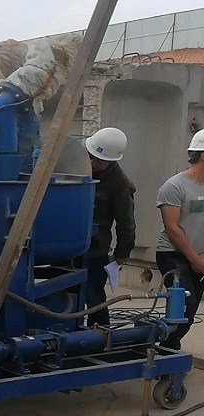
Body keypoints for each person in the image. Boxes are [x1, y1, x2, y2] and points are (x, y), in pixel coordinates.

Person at [155, 129, 204, 350]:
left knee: (189, 314)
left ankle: (166, 348)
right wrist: (195, 259)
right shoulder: (174, 187)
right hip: (173, 254)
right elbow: (172, 228)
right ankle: (166, 350)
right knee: (185, 304)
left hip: (199, 257)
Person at [84, 127, 136, 326]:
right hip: (66, 245)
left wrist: (122, 253)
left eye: (98, 160)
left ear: (111, 160)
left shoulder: (120, 184)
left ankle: (100, 333)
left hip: (95, 249)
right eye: (90, 157)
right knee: (65, 293)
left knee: (94, 296)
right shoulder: (77, 166)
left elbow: (126, 223)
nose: (92, 163)